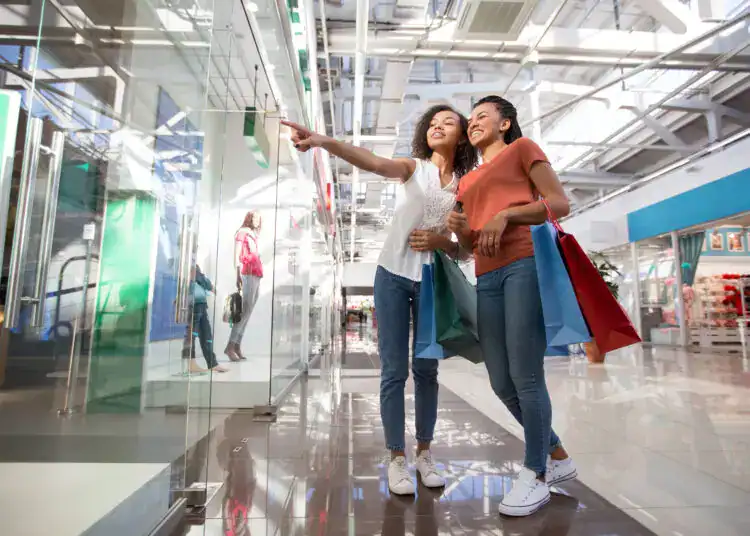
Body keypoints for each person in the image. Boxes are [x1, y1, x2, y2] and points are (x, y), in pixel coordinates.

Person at [282, 104, 476, 495]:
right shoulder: (413, 169)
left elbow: (466, 250)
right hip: (391, 276)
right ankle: (396, 459)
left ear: (464, 135)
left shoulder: (466, 186)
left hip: (430, 279)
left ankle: (424, 452)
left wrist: (443, 241)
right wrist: (322, 141)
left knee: (426, 370)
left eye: (448, 122)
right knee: (393, 370)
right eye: (433, 123)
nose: (438, 127)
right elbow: (370, 161)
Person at [447, 96, 575, 517]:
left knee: (526, 375)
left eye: (483, 115)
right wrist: (463, 231)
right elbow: (468, 249)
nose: (473, 123)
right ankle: (557, 457)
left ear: (506, 123)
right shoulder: (466, 182)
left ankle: (535, 473)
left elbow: (558, 204)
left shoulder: (524, 150)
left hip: (524, 265)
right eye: (471, 119)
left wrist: (508, 216)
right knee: (501, 382)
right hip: (487, 276)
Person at [225, 211, 263, 361]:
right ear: (249, 218)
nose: (256, 221)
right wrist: (237, 274)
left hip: (256, 274)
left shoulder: (253, 235)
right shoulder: (242, 233)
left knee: (248, 313)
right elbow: (236, 255)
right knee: (244, 312)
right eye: (254, 218)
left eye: (258, 219)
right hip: (247, 273)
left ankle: (237, 345)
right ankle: (230, 346)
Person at [186, 265, 227, 373]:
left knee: (206, 334)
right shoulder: (189, 261)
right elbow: (200, 278)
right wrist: (211, 287)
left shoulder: (192, 263)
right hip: (194, 304)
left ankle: (212, 363)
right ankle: (191, 364)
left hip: (201, 304)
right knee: (192, 335)